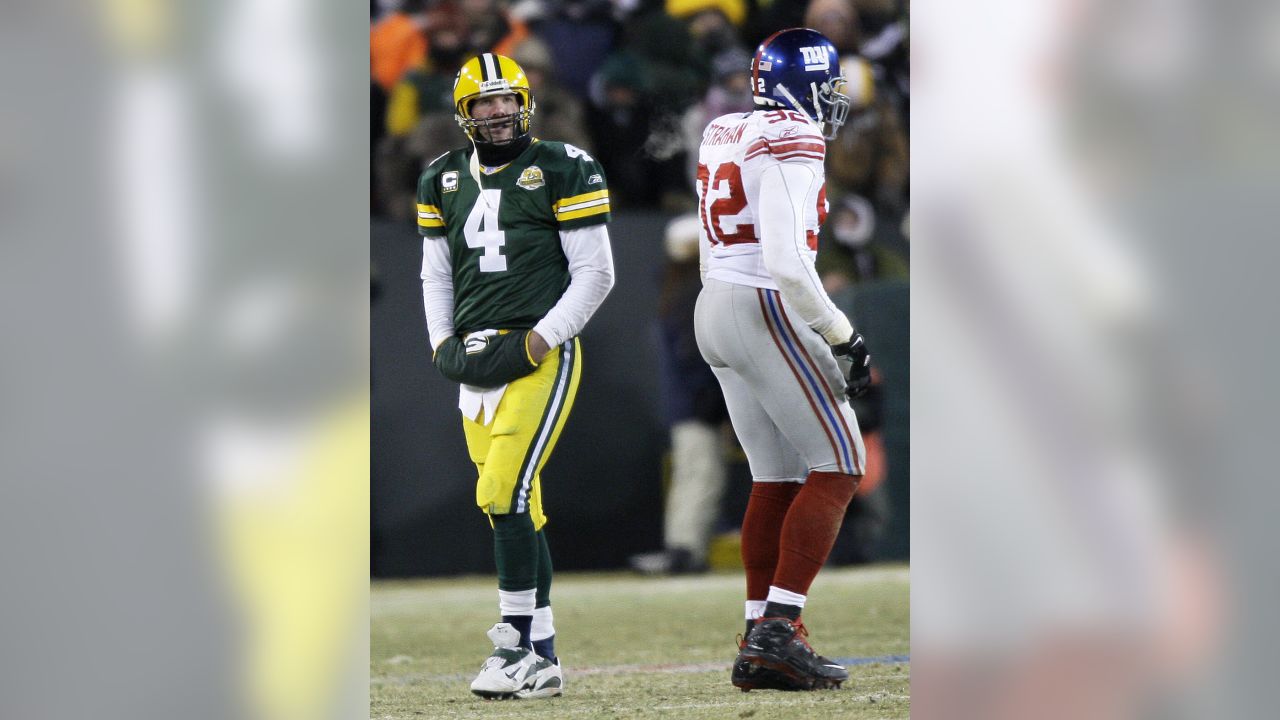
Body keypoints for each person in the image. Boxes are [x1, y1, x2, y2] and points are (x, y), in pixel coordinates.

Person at [416, 52, 615, 700]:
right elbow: (436, 273)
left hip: (537, 355)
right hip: (475, 362)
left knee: (502, 490)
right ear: (464, 112)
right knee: (516, 505)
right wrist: (441, 340)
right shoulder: (441, 177)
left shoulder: (564, 165)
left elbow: (596, 272)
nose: (498, 112)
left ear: (525, 101)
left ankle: (510, 642)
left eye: (506, 99)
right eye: (484, 103)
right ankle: (544, 656)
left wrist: (540, 339)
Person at [692, 28, 871, 691]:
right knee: (842, 462)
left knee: (777, 475)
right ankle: (780, 626)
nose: (832, 101)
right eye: (827, 87)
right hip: (762, 302)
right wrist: (842, 333)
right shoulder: (794, 137)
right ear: (803, 85)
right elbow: (788, 264)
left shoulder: (726, 128)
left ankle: (759, 636)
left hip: (715, 303)